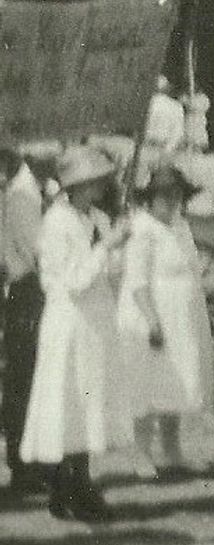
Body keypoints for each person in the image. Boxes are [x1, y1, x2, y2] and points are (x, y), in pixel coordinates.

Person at [21, 145, 128, 521]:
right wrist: (106, 246)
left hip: (94, 323)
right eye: (93, 181)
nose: (100, 186)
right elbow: (74, 281)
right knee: (66, 401)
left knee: (87, 401)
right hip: (68, 323)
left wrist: (117, 247)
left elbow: (109, 273)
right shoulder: (56, 223)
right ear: (76, 185)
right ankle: (64, 486)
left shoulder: (95, 218)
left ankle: (80, 481)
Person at [117, 166, 212, 476]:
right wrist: (152, 320)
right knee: (147, 385)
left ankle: (172, 450)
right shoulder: (142, 228)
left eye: (177, 194)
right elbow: (137, 281)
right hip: (152, 313)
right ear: (151, 198)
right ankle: (141, 453)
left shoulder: (181, 226)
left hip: (182, 317)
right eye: (164, 195)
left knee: (177, 382)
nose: (171, 200)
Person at [2, 147, 48, 493]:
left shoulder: (26, 192)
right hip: (28, 288)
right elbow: (36, 251)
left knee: (28, 377)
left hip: (26, 286)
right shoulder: (22, 196)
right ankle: (24, 464)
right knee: (25, 377)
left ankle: (29, 461)